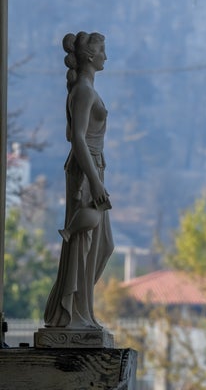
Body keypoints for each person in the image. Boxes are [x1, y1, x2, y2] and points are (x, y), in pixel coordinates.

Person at [44, 31, 114, 329]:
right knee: (82, 242)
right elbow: (78, 139)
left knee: (102, 245)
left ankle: (80, 309)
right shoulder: (83, 91)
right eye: (101, 51)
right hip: (86, 172)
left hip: (94, 168)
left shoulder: (87, 89)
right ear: (89, 56)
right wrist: (94, 182)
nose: (105, 57)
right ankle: (71, 314)